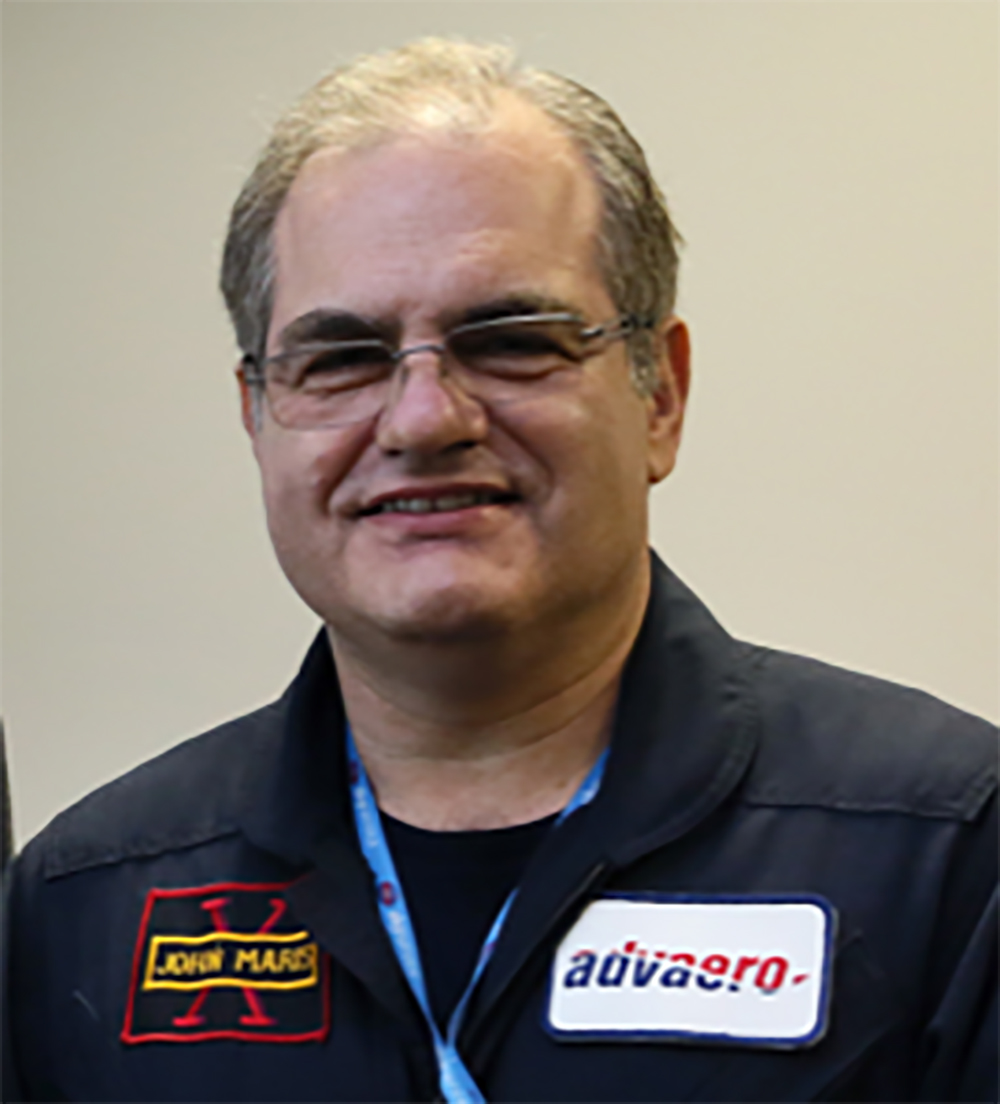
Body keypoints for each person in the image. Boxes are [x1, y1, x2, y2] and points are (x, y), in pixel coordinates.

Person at [2, 38, 996, 1104]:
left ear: (658, 394)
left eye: (510, 338)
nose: (424, 418)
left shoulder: (948, 858)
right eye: (340, 359)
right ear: (257, 417)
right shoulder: (85, 904)